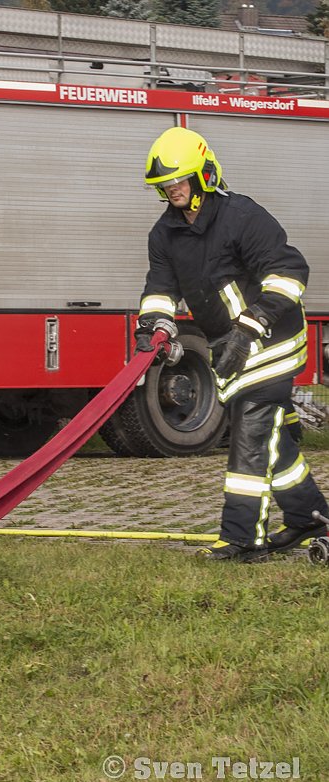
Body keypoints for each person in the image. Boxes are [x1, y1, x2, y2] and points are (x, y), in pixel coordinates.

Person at [134, 126, 328, 562]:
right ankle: (309, 516)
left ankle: (242, 539)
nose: (172, 190)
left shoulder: (242, 216)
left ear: (204, 175)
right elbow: (160, 286)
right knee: (276, 443)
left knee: (251, 433)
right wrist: (154, 322)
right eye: (165, 186)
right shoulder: (164, 234)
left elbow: (289, 272)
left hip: (273, 338)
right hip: (228, 344)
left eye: (179, 181)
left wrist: (252, 322)